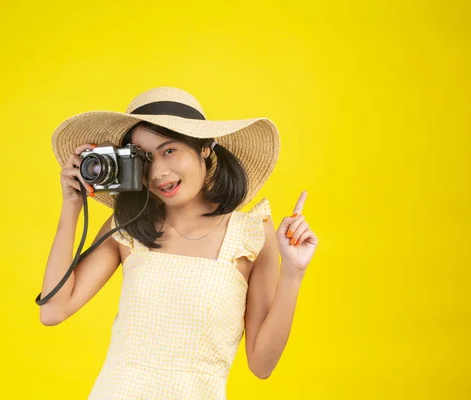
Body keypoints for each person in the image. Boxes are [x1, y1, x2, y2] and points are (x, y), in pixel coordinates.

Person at [38, 87, 318, 399]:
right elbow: (52, 311)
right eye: (143, 158)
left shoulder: (249, 235)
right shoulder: (128, 227)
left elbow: (262, 364)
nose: (158, 172)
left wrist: (293, 272)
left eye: (169, 150)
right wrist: (72, 206)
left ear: (205, 149)